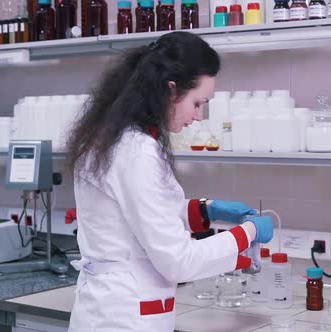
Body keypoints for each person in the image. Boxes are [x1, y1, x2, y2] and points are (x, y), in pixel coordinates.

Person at [65, 31, 274, 332]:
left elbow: (147, 212)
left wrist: (207, 210)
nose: (199, 116)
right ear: (172, 90)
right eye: (198, 102)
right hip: (124, 318)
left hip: (112, 307)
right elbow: (179, 261)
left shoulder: (114, 137)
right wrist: (248, 232)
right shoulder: (135, 151)